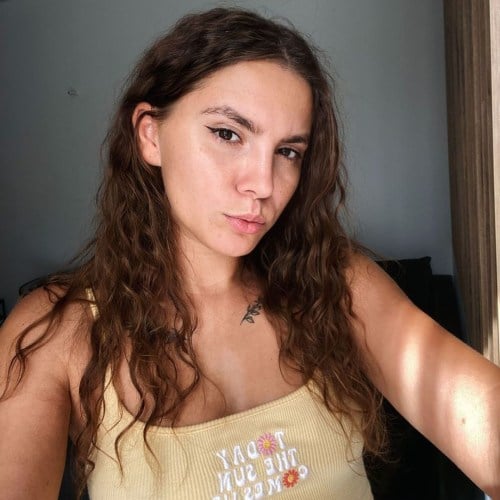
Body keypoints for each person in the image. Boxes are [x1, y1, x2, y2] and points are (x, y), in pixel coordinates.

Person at [0, 7, 499, 500]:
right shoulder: (55, 335)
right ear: (150, 135)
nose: (263, 184)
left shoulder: (339, 285)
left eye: (288, 152)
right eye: (227, 134)